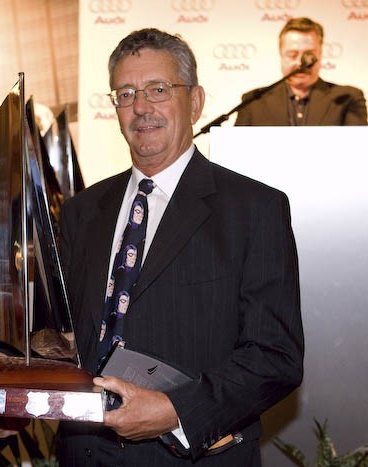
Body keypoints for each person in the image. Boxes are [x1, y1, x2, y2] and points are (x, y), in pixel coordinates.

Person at [57, 28, 304, 466]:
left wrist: (176, 412)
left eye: (158, 89)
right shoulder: (81, 212)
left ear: (195, 101)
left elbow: (275, 356)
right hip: (86, 453)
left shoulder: (255, 209)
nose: (141, 107)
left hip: (192, 455)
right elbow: (64, 334)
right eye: (126, 93)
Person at [235, 17, 367, 126]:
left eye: (309, 55)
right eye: (292, 55)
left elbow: (359, 151)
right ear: (281, 55)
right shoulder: (254, 101)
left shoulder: (348, 98)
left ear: (320, 54)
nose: (300, 63)